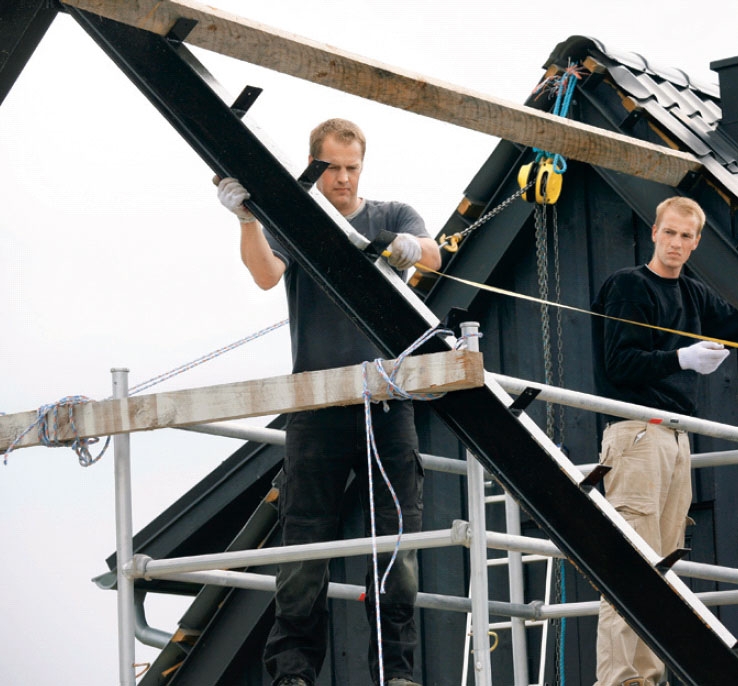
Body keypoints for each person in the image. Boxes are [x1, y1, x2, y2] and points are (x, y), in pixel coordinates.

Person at [216, 118, 441, 686]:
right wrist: (247, 219)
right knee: (303, 544)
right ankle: (293, 673)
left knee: (396, 542)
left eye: (352, 168)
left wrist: (408, 248)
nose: (343, 179)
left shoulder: (391, 215)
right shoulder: (295, 221)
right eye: (333, 168)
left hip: (386, 405)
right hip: (317, 405)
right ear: (314, 166)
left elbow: (433, 255)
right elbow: (265, 274)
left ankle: (396, 675)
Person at [591, 196, 738, 686]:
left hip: (675, 437)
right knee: (631, 564)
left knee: (663, 568)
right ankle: (623, 681)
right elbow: (619, 364)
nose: (676, 243)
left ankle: (648, 679)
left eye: (686, 236)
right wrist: (682, 358)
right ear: (654, 232)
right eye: (669, 232)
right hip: (636, 431)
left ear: (696, 243)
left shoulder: (693, 294)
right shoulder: (629, 286)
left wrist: (689, 356)